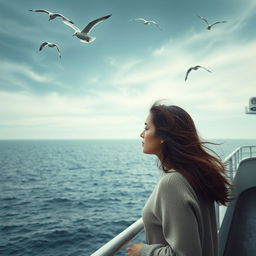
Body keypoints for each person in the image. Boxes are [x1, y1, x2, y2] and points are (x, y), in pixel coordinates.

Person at [126, 102, 231, 256]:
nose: (141, 134)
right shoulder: (194, 174)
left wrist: (143, 251)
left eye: (147, 128)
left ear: (163, 136)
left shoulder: (172, 183)